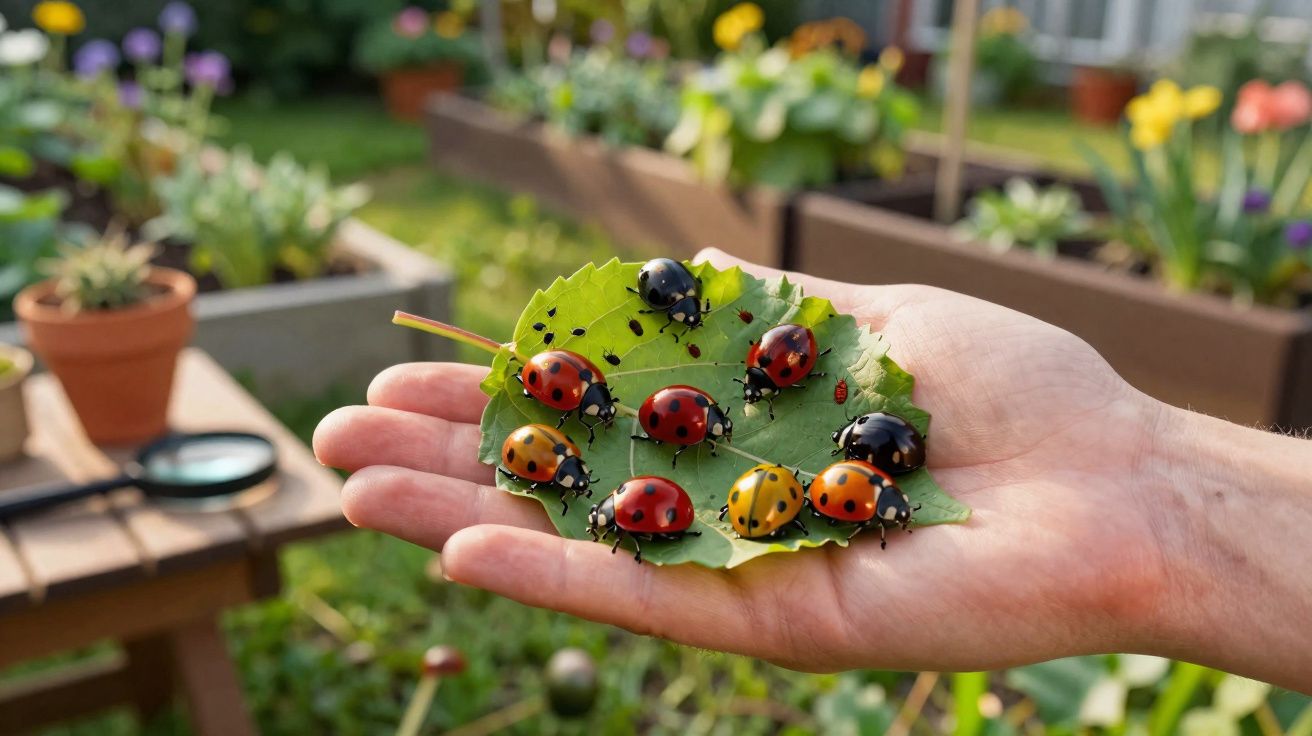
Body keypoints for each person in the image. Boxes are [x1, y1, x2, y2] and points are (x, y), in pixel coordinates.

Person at [313, 249, 1312, 694]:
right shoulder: (619, 414)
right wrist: (1165, 496)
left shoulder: (688, 428)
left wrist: (1159, 489)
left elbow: (716, 437)